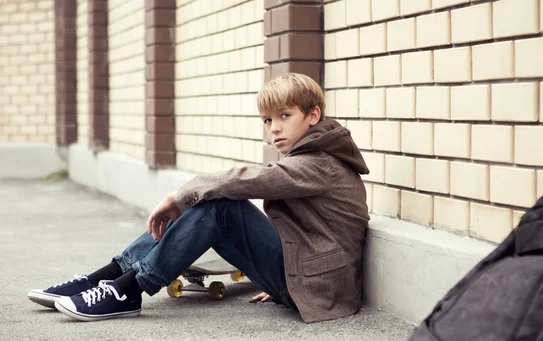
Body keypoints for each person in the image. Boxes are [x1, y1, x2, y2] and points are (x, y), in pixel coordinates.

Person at [27, 72, 371, 323]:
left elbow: (249, 179)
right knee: (217, 202)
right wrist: (291, 278)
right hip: (304, 277)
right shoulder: (309, 157)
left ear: (313, 116)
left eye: (285, 116)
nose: (274, 128)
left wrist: (181, 195)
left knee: (221, 206)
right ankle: (105, 278)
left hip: (322, 289)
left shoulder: (321, 164)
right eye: (268, 120)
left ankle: (127, 289)